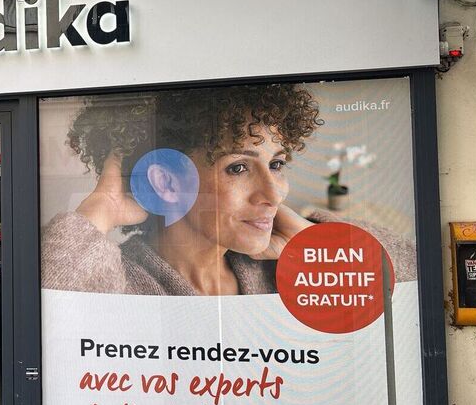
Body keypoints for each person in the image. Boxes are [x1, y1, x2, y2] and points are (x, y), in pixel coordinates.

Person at [42, 84, 340, 296]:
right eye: (238, 168)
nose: (275, 195)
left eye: (276, 165)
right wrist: (101, 208)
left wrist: (313, 247)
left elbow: (382, 290)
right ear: (167, 182)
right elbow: (44, 315)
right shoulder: (119, 285)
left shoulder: (287, 274)